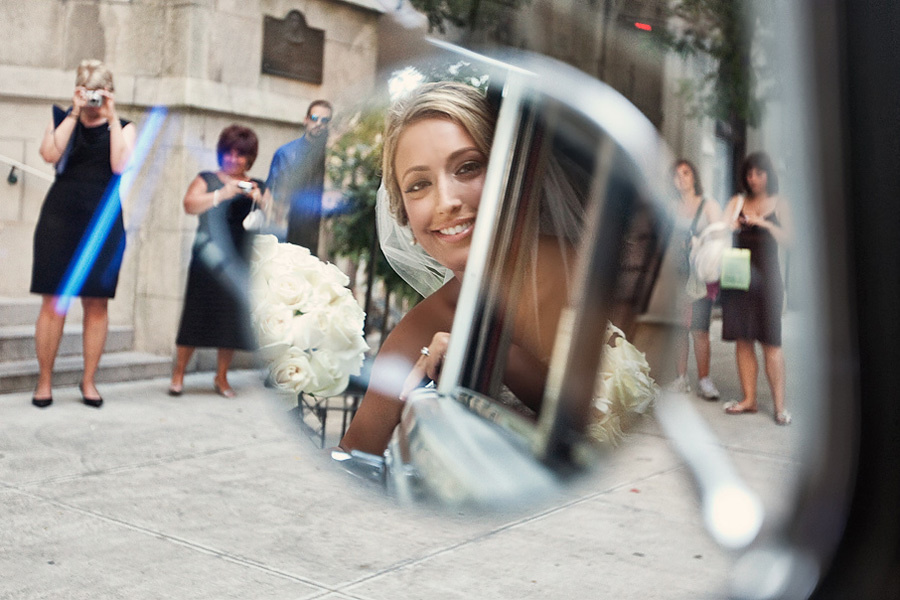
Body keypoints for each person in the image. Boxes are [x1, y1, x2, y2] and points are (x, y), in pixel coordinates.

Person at [339, 82, 655, 455]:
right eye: (419, 185)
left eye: (468, 167)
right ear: (403, 214)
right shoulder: (416, 332)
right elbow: (355, 456)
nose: (447, 202)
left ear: (511, 176)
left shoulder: (583, 275)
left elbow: (617, 423)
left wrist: (492, 355)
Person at [30, 59, 136, 409]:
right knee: (53, 301)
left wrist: (111, 113)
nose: (93, 100)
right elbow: (49, 154)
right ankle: (44, 381)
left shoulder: (123, 127)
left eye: (99, 93)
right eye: (87, 92)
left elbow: (120, 165)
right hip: (60, 218)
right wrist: (74, 113)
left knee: (96, 303)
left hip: (103, 222)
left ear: (109, 93)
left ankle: (88, 382)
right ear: (78, 91)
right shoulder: (63, 119)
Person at [168, 125, 266, 398]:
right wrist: (222, 194)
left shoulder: (257, 184)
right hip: (207, 260)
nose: (233, 159)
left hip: (239, 262)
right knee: (194, 316)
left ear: (250, 157)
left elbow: (278, 216)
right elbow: (189, 205)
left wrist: (260, 199)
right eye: (228, 153)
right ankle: (179, 374)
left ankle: (221, 377)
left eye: (240, 155)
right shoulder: (208, 179)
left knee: (230, 322)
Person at [720, 152, 793, 425]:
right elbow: (720, 227)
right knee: (743, 338)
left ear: (768, 175)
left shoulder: (780, 203)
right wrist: (733, 224)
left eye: (759, 173)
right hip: (738, 275)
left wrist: (764, 223)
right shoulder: (737, 201)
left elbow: (791, 241)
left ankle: (780, 407)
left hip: (768, 280)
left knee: (771, 342)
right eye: (749, 174)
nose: (753, 179)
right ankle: (749, 399)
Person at [670, 159, 722, 399]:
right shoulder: (671, 205)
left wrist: (700, 242)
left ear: (695, 176)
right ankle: (681, 378)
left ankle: (704, 379)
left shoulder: (708, 205)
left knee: (700, 329)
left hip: (701, 275)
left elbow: (722, 237)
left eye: (686, 173)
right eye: (676, 174)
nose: (681, 178)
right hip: (678, 273)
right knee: (680, 328)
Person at [264, 100, 332, 253]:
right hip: (287, 227)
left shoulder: (332, 156)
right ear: (306, 120)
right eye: (314, 118)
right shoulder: (285, 153)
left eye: (325, 120)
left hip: (319, 231)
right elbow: (270, 193)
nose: (319, 123)